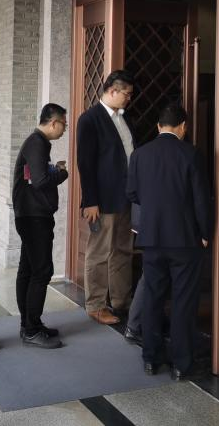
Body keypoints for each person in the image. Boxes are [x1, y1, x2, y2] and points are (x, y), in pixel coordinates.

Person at [127, 103, 212, 380]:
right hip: (184, 238)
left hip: (151, 237)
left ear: (158, 126)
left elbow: (132, 194)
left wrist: (154, 207)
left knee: (153, 297)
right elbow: (201, 198)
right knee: (183, 301)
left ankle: (151, 359)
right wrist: (205, 232)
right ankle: (180, 364)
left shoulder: (140, 155)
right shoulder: (191, 154)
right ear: (183, 127)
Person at [76, 70, 136, 325]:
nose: (129, 98)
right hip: (102, 200)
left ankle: (121, 301)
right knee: (99, 252)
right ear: (112, 91)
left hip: (126, 197)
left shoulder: (123, 117)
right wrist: (90, 201)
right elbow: (85, 163)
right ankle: (96, 305)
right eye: (127, 94)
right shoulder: (89, 119)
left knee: (123, 250)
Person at [12, 103, 69, 349]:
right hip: (34, 217)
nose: (65, 129)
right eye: (64, 124)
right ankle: (31, 329)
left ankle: (29, 324)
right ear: (54, 123)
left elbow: (33, 176)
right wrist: (61, 172)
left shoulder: (37, 143)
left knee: (28, 269)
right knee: (41, 271)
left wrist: (52, 170)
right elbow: (40, 180)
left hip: (30, 214)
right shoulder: (37, 143)